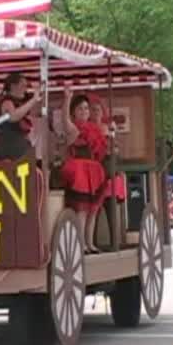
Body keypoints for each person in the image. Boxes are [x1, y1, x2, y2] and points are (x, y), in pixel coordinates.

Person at [59, 88, 108, 253]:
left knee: (93, 210)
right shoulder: (73, 128)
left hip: (94, 171)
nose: (84, 111)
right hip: (79, 171)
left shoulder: (94, 129)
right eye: (80, 108)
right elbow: (65, 118)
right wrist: (67, 99)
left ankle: (89, 243)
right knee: (81, 210)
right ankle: (80, 244)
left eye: (86, 108)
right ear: (74, 112)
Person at [0, 73, 43, 161]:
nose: (25, 89)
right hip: (9, 151)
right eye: (23, 85)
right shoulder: (7, 102)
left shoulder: (18, 104)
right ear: (13, 86)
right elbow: (13, 116)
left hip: (19, 151)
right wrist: (33, 100)